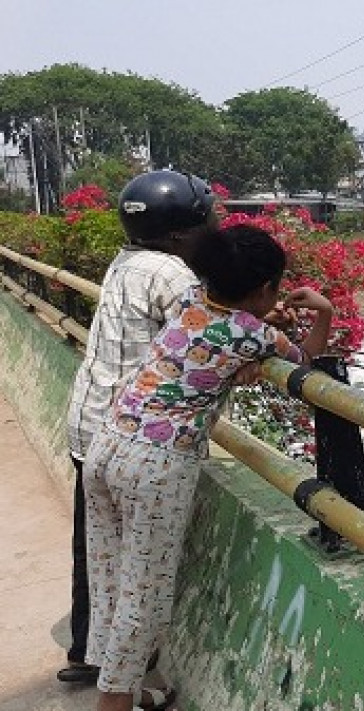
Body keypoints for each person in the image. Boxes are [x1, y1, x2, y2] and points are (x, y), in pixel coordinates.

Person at [81, 224, 334, 711]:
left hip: (109, 443)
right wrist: (322, 309)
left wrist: (255, 334)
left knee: (111, 578)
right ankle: (112, 706)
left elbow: (217, 335)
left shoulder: (191, 298)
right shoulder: (252, 334)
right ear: (264, 289)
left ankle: (125, 691)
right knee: (145, 599)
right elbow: (306, 360)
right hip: (154, 465)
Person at [60, 169, 220, 687]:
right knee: (139, 572)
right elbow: (205, 348)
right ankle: (128, 681)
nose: (213, 227)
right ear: (179, 235)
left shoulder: (126, 260)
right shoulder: (175, 278)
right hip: (134, 439)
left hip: (89, 428)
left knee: (98, 551)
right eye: (205, 221)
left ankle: (88, 650)